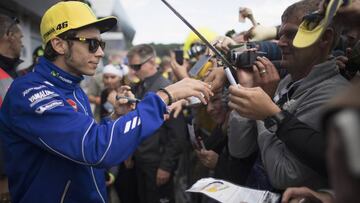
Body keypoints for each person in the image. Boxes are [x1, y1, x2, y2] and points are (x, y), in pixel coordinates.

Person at [0, 2, 212, 202]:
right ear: (59, 44)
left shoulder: (72, 88)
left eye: (101, 43)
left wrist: (115, 117)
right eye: (92, 44)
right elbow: (95, 148)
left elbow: (85, 138)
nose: (101, 52)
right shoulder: (30, 92)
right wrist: (164, 96)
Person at [127, 44, 189, 203]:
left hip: (157, 162)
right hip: (142, 160)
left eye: (137, 66)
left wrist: (166, 166)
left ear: (151, 62)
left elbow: (178, 134)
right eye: (131, 66)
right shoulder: (139, 86)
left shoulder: (167, 89)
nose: (133, 71)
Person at [0, 13, 23, 202]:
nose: (22, 43)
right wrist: (4, 176)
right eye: (21, 37)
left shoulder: (12, 73)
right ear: (9, 35)